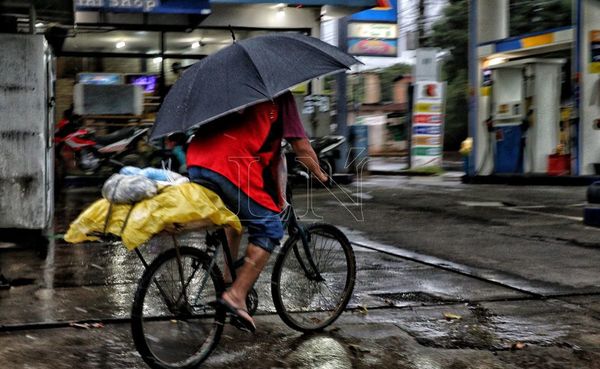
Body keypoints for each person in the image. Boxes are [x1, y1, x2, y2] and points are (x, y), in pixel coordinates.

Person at [186, 91, 328, 332]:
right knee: (270, 228)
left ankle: (229, 282)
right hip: (231, 166)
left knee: (235, 220)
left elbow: (270, 158)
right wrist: (323, 176)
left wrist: (277, 196)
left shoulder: (233, 90)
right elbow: (301, 147)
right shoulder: (281, 96)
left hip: (198, 161)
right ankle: (235, 296)